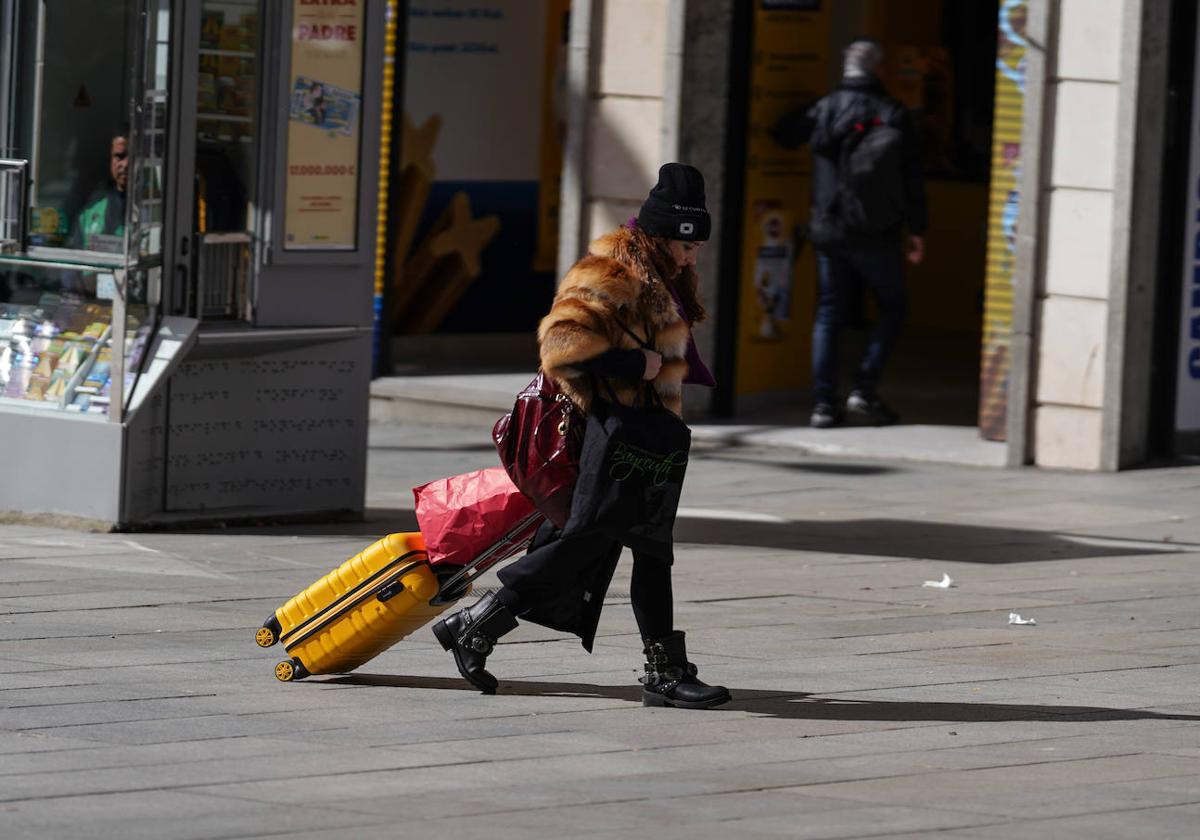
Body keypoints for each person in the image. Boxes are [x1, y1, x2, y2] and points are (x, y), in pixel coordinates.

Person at [432, 163, 730, 710]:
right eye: (684, 247)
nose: (692, 257)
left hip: (650, 430)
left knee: (651, 547)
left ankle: (663, 672)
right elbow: (560, 346)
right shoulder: (609, 272)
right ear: (657, 236)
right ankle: (477, 623)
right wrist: (630, 363)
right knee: (588, 538)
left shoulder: (666, 277)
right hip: (611, 430)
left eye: (697, 248)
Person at [773, 39, 927, 428]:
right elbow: (912, 178)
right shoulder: (893, 113)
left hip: (828, 229)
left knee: (829, 312)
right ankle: (864, 389)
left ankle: (824, 405)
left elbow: (783, 133)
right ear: (879, 70)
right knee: (893, 307)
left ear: (846, 70)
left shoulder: (824, 108)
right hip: (878, 232)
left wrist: (807, 106)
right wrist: (917, 229)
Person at [72, 132, 128, 250]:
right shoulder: (90, 210)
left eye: (132, 157)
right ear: (110, 160)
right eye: (120, 156)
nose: (125, 164)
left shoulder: (153, 211)